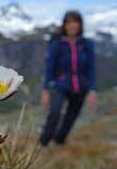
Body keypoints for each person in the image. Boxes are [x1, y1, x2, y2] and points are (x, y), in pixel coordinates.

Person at [39, 10, 97, 147]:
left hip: (81, 86)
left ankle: (59, 141)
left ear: (80, 25)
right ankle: (43, 143)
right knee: (55, 112)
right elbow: (49, 67)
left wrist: (92, 90)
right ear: (64, 25)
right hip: (60, 85)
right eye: (68, 22)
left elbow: (92, 68)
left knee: (71, 116)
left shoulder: (87, 44)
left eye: (75, 21)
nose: (72, 25)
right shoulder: (57, 44)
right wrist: (46, 90)